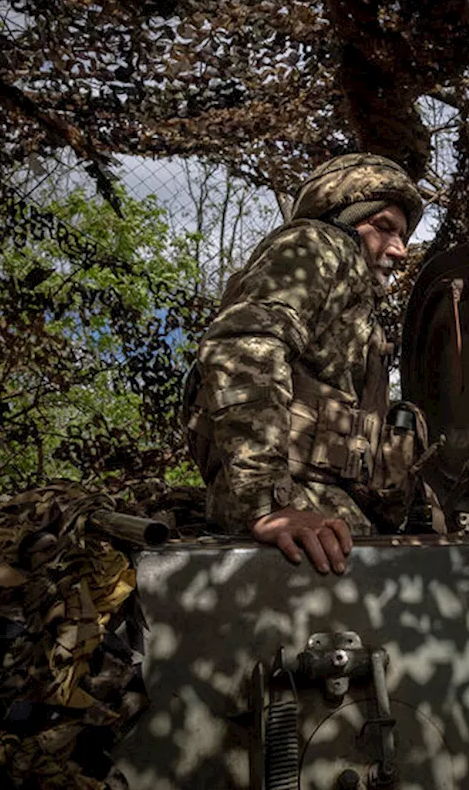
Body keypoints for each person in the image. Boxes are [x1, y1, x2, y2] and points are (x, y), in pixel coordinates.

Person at [182, 153, 433, 575]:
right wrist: (268, 504)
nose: (399, 250)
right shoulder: (319, 243)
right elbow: (244, 344)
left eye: (403, 235)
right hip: (295, 528)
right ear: (340, 217)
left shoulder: (354, 299)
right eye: (384, 227)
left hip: (318, 524)